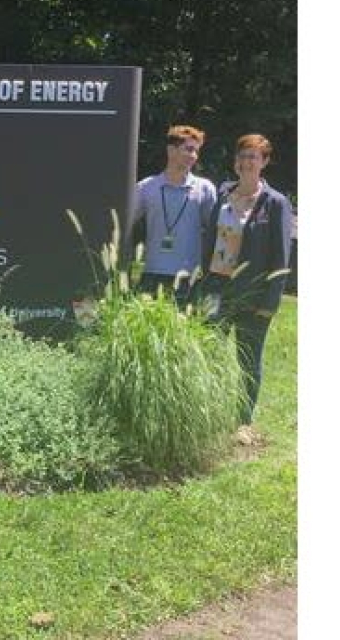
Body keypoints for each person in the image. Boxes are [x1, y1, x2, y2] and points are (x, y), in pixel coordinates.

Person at [200, 134, 293, 442]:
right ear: (236, 161)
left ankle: (243, 420)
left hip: (252, 297)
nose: (247, 162)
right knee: (208, 350)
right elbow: (209, 242)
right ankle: (208, 411)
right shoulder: (223, 194)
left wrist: (270, 302)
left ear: (264, 162)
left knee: (248, 358)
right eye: (243, 156)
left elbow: (281, 257)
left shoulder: (276, 203)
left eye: (254, 157)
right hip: (215, 290)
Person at [130, 125, 218, 303]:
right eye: (189, 149)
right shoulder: (146, 187)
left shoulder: (205, 188)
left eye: (196, 151)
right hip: (152, 272)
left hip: (189, 276)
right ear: (171, 150)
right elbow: (126, 223)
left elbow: (214, 232)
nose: (194, 156)